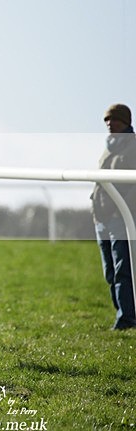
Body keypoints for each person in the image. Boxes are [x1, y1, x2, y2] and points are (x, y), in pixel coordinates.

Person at [91, 103, 136, 330]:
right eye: (107, 120)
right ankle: (121, 313)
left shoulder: (133, 147)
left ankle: (127, 318)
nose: (110, 124)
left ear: (126, 122)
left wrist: (119, 210)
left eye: (114, 120)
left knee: (123, 270)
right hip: (102, 220)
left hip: (121, 220)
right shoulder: (107, 148)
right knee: (110, 271)